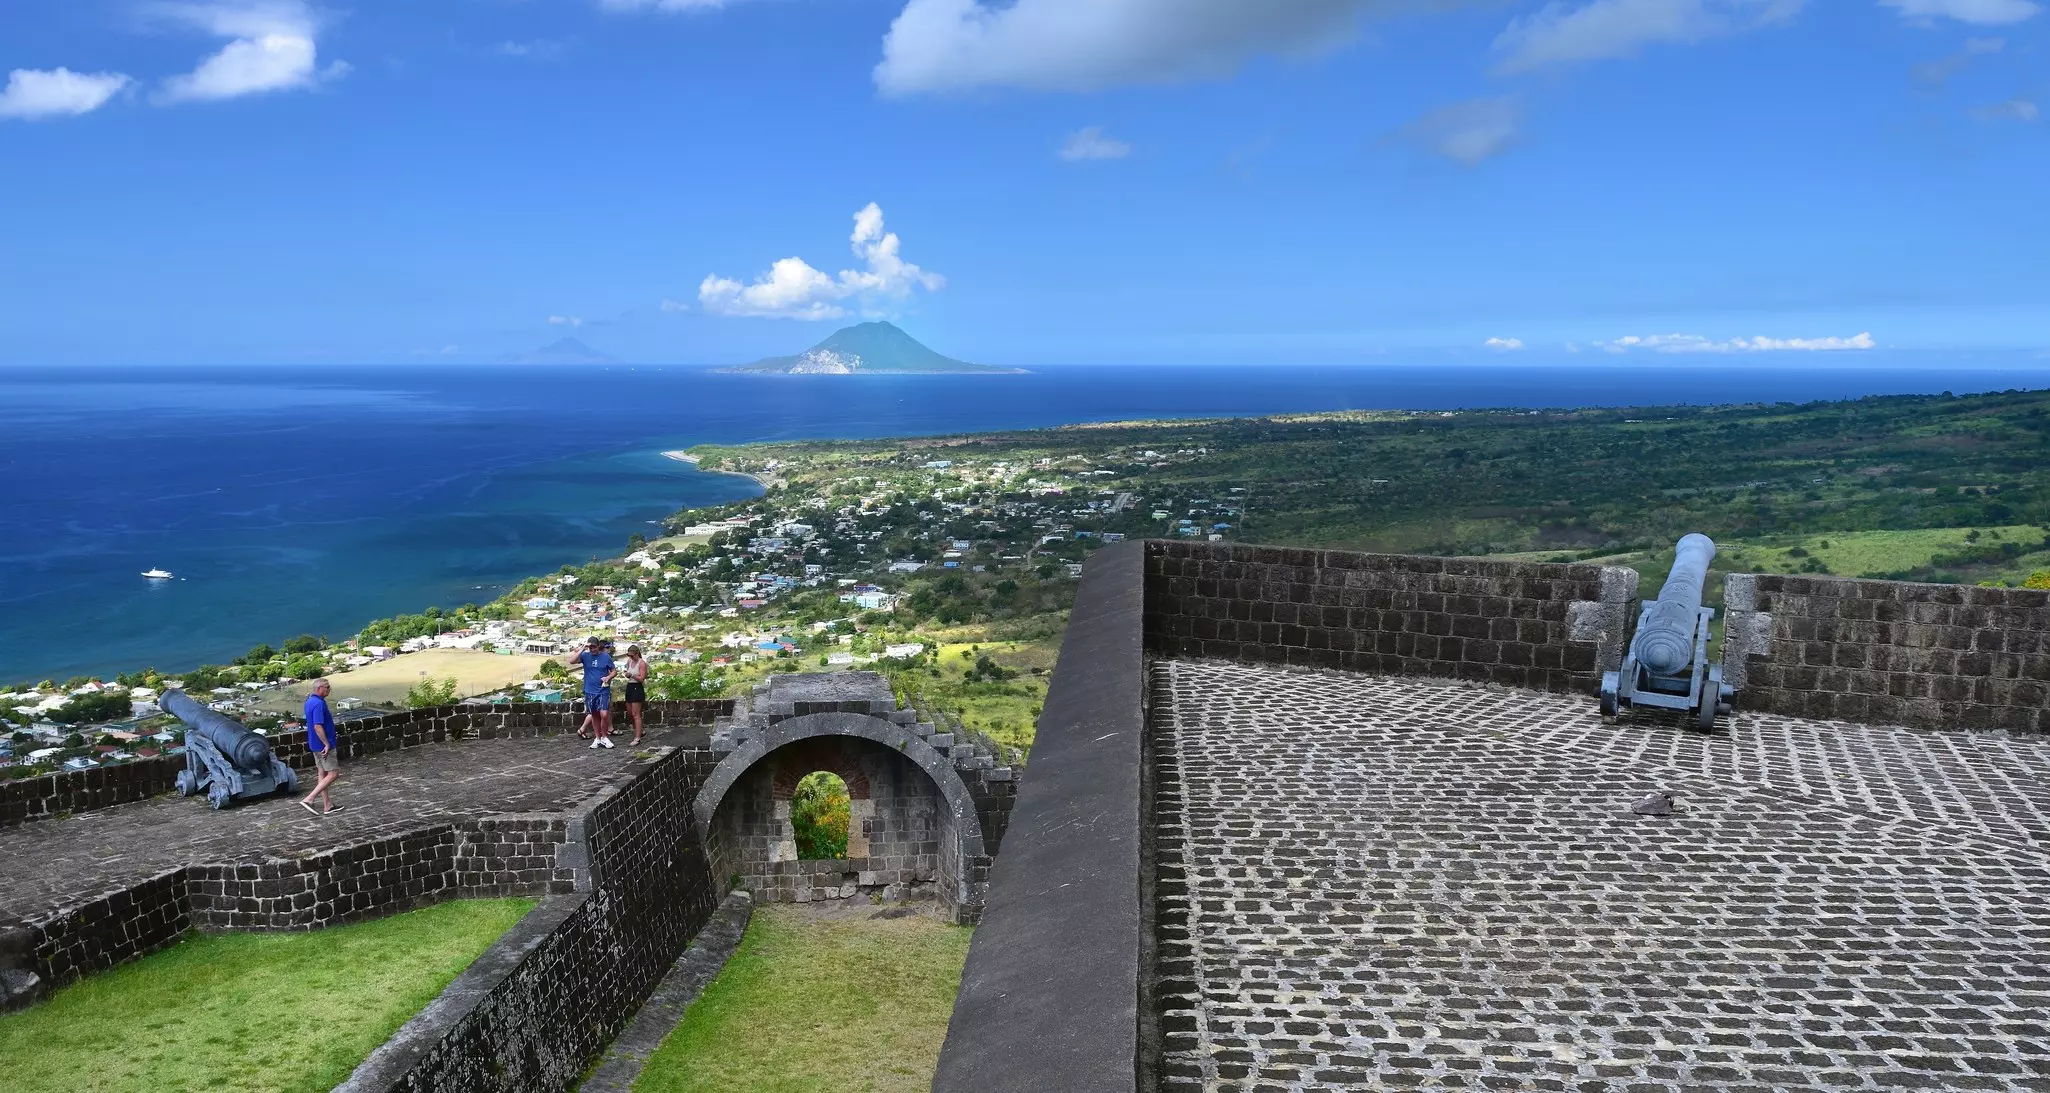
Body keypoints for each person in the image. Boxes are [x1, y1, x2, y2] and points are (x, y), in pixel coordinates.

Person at [299, 679, 344, 816]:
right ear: (319, 688)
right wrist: (326, 743)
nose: (329, 689)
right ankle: (309, 799)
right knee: (333, 773)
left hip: (314, 744)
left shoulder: (310, 701)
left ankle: (327, 805)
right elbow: (317, 726)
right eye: (327, 687)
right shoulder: (318, 704)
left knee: (322, 773)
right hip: (323, 746)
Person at [568, 636, 616, 750]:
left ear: (598, 646)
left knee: (604, 714)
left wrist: (608, 677)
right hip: (590, 691)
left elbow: (614, 671)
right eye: (591, 647)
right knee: (594, 715)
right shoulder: (585, 656)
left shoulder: (605, 657)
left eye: (594, 647)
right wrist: (583, 648)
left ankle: (604, 737)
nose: (593, 649)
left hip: (603, 690)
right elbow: (571, 661)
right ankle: (598, 738)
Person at [618, 644, 650, 746]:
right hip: (630, 687)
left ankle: (637, 737)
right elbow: (629, 673)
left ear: (637, 654)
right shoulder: (629, 661)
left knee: (636, 714)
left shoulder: (641, 663)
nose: (630, 657)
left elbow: (641, 678)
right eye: (629, 656)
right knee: (630, 713)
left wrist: (632, 675)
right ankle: (640, 730)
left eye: (632, 656)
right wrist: (627, 674)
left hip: (637, 688)